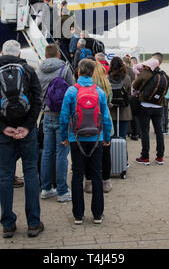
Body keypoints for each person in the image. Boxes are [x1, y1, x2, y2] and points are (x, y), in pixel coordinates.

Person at [0, 40, 44, 238]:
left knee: (6, 176)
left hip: (4, 133)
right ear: (18, 54)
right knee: (31, 173)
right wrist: (26, 127)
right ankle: (33, 223)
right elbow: (37, 100)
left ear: (1, 52)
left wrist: (3, 127)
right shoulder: (28, 70)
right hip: (27, 132)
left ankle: (8, 224)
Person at [59, 59, 112, 225]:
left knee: (77, 174)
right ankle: (97, 214)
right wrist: (107, 138)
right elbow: (105, 118)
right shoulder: (99, 92)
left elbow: (63, 117)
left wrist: (64, 137)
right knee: (96, 174)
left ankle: (78, 215)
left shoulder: (71, 91)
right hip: (96, 138)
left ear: (79, 72)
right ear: (92, 73)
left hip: (76, 139)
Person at [37, 44, 75, 202]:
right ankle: (62, 190)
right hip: (62, 116)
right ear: (58, 55)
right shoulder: (64, 69)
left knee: (47, 152)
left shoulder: (38, 71)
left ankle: (46, 188)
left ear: (45, 55)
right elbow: (72, 91)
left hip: (46, 115)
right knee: (61, 154)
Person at [84, 62, 114, 194]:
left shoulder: (86, 86)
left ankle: (89, 182)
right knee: (105, 155)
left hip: (87, 122)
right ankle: (106, 182)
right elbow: (109, 102)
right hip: (103, 122)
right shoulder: (106, 85)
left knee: (87, 155)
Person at [132, 58, 168, 166]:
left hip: (145, 106)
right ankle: (160, 156)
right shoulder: (163, 75)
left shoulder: (145, 73)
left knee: (145, 131)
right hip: (159, 106)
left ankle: (145, 157)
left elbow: (135, 85)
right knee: (159, 132)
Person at [108, 57, 132, 140]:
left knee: (111, 136)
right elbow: (129, 92)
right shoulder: (127, 78)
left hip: (111, 109)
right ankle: (122, 152)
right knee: (122, 136)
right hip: (123, 110)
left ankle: (112, 153)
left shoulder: (107, 78)